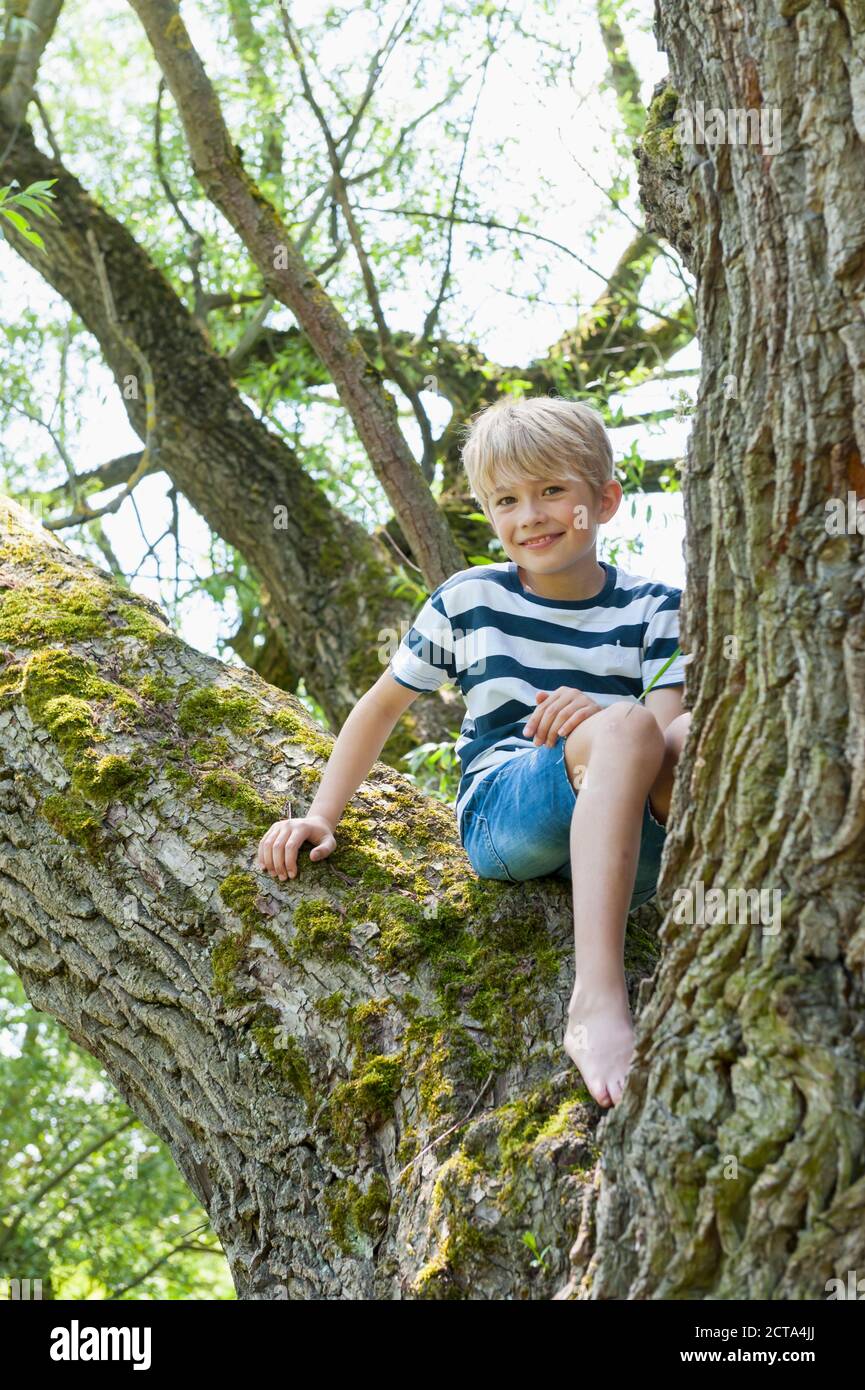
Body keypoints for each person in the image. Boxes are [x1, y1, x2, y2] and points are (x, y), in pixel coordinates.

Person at [257, 395, 691, 1109]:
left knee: (674, 732)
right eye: (506, 501)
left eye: (553, 491)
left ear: (604, 501)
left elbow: (666, 731)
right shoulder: (470, 599)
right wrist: (320, 815)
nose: (530, 516)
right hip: (506, 813)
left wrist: (606, 719)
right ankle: (596, 999)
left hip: (634, 835)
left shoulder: (654, 607)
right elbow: (379, 709)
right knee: (625, 729)